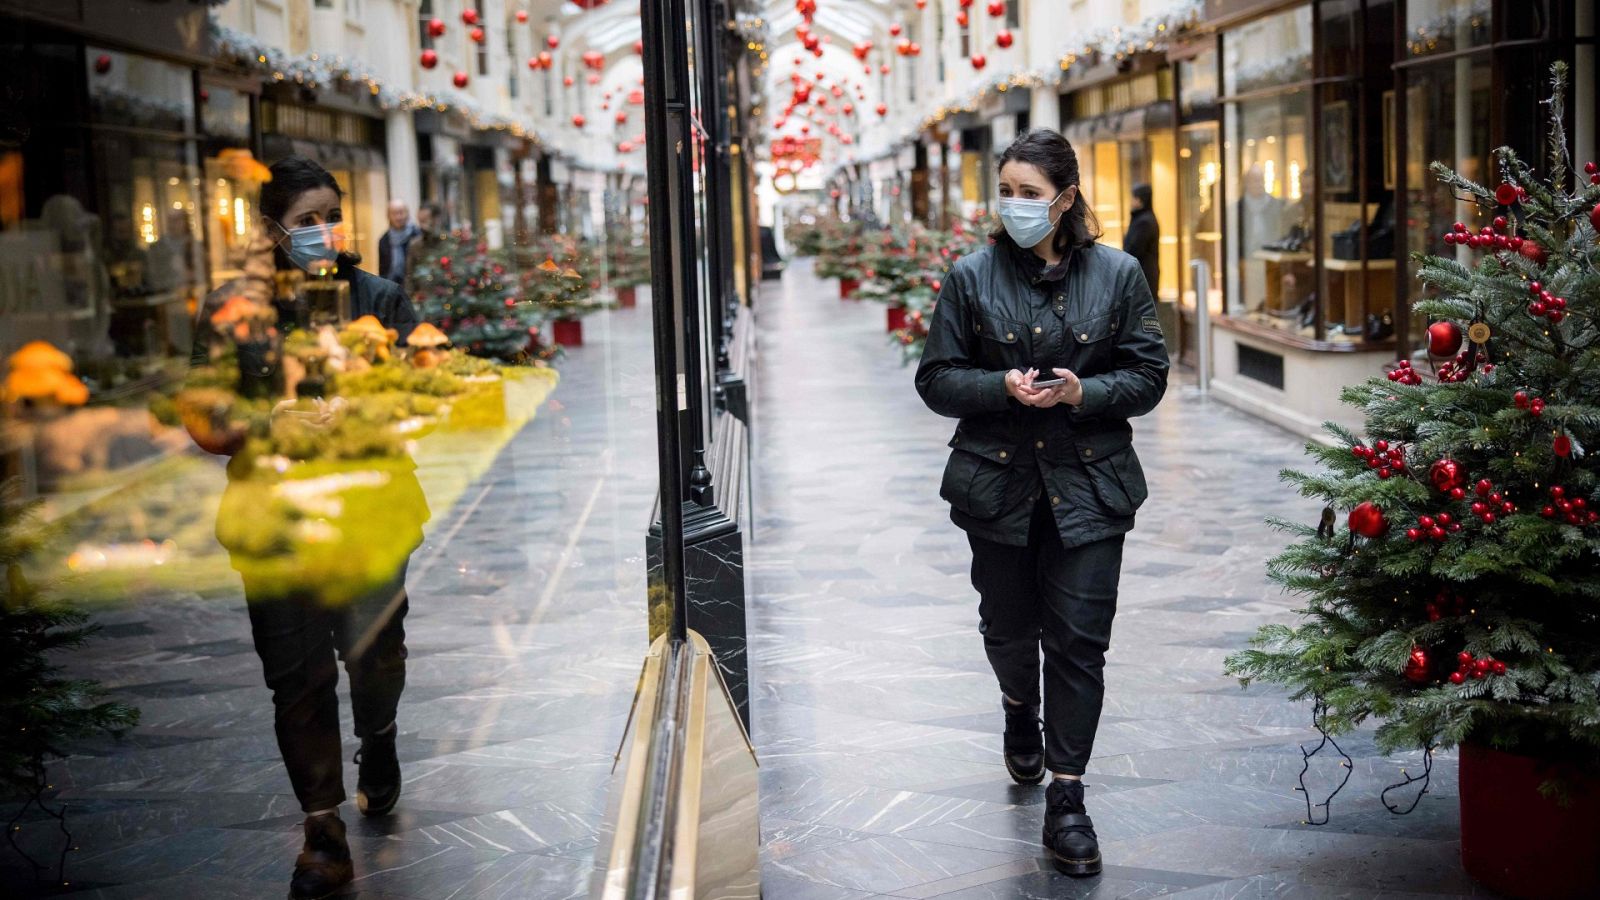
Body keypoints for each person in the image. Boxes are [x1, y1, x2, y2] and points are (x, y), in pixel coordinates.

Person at [915, 129, 1169, 878]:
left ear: (1065, 198)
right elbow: (935, 379)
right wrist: (1001, 386)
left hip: (1090, 483)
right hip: (999, 485)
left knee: (1080, 639)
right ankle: (1018, 708)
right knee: (1006, 625)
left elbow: (1149, 375)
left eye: (1031, 193)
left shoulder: (1118, 274)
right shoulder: (970, 277)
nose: (1017, 206)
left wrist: (1085, 390)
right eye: (1008, 192)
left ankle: (1068, 798)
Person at [190, 156, 423, 900]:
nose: (323, 231)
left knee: (375, 656)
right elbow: (205, 416)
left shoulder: (378, 296)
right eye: (306, 221)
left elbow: (429, 389)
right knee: (297, 677)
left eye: (331, 215)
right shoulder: (231, 309)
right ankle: (322, 830)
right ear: (271, 230)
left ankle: (378, 740)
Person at [1122, 183, 1160, 296]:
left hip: (1143, 277)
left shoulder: (1144, 222)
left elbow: (1134, 249)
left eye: (1133, 198)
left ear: (1140, 200)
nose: (1131, 201)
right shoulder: (1143, 219)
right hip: (1143, 276)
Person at [377, 199, 418, 284]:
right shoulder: (384, 240)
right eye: (394, 213)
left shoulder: (416, 235)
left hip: (413, 285)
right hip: (392, 286)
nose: (398, 217)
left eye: (401, 212)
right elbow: (383, 270)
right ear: (388, 216)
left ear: (407, 214)